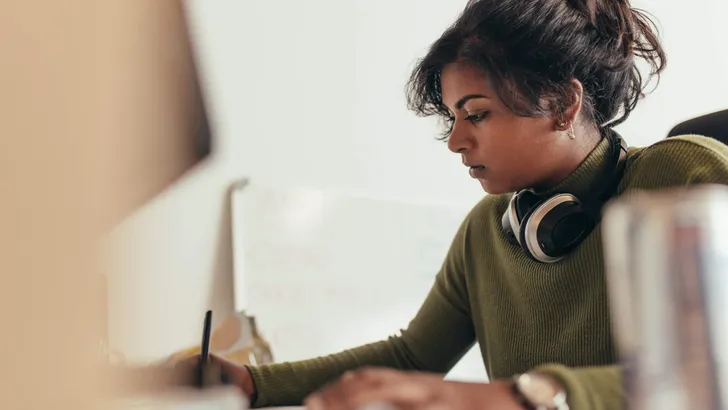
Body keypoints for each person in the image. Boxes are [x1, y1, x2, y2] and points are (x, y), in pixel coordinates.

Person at [180, 0, 728, 409]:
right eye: (453, 118)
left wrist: (530, 395)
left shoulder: (681, 174)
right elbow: (414, 358)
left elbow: (711, 374)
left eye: (478, 114)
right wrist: (251, 383)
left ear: (562, 103)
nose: (456, 141)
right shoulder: (489, 229)